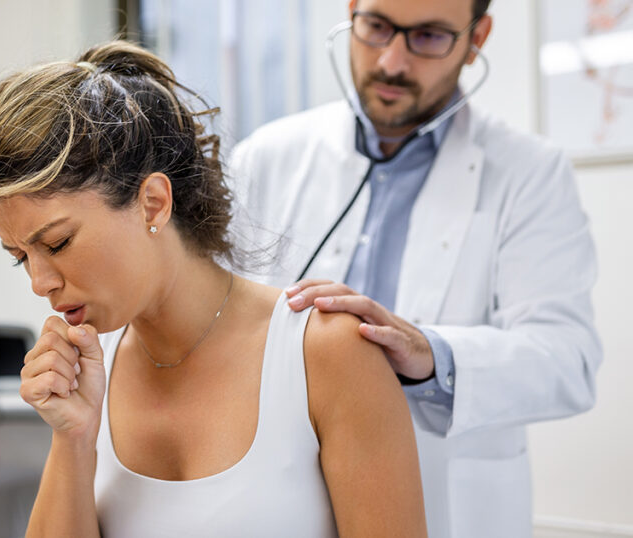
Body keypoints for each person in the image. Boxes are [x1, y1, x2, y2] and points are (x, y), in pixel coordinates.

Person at [0, 41, 427, 537]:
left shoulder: (326, 353)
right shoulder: (88, 372)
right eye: (20, 258)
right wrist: (72, 438)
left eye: (58, 242)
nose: (39, 283)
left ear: (154, 203)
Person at [228, 0, 602, 536]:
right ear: (352, 11)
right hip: (282, 500)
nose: (392, 62)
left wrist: (433, 355)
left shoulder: (530, 174)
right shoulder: (268, 156)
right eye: (376, 27)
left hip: (449, 506)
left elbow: (570, 359)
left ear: (478, 39)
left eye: (428, 36)